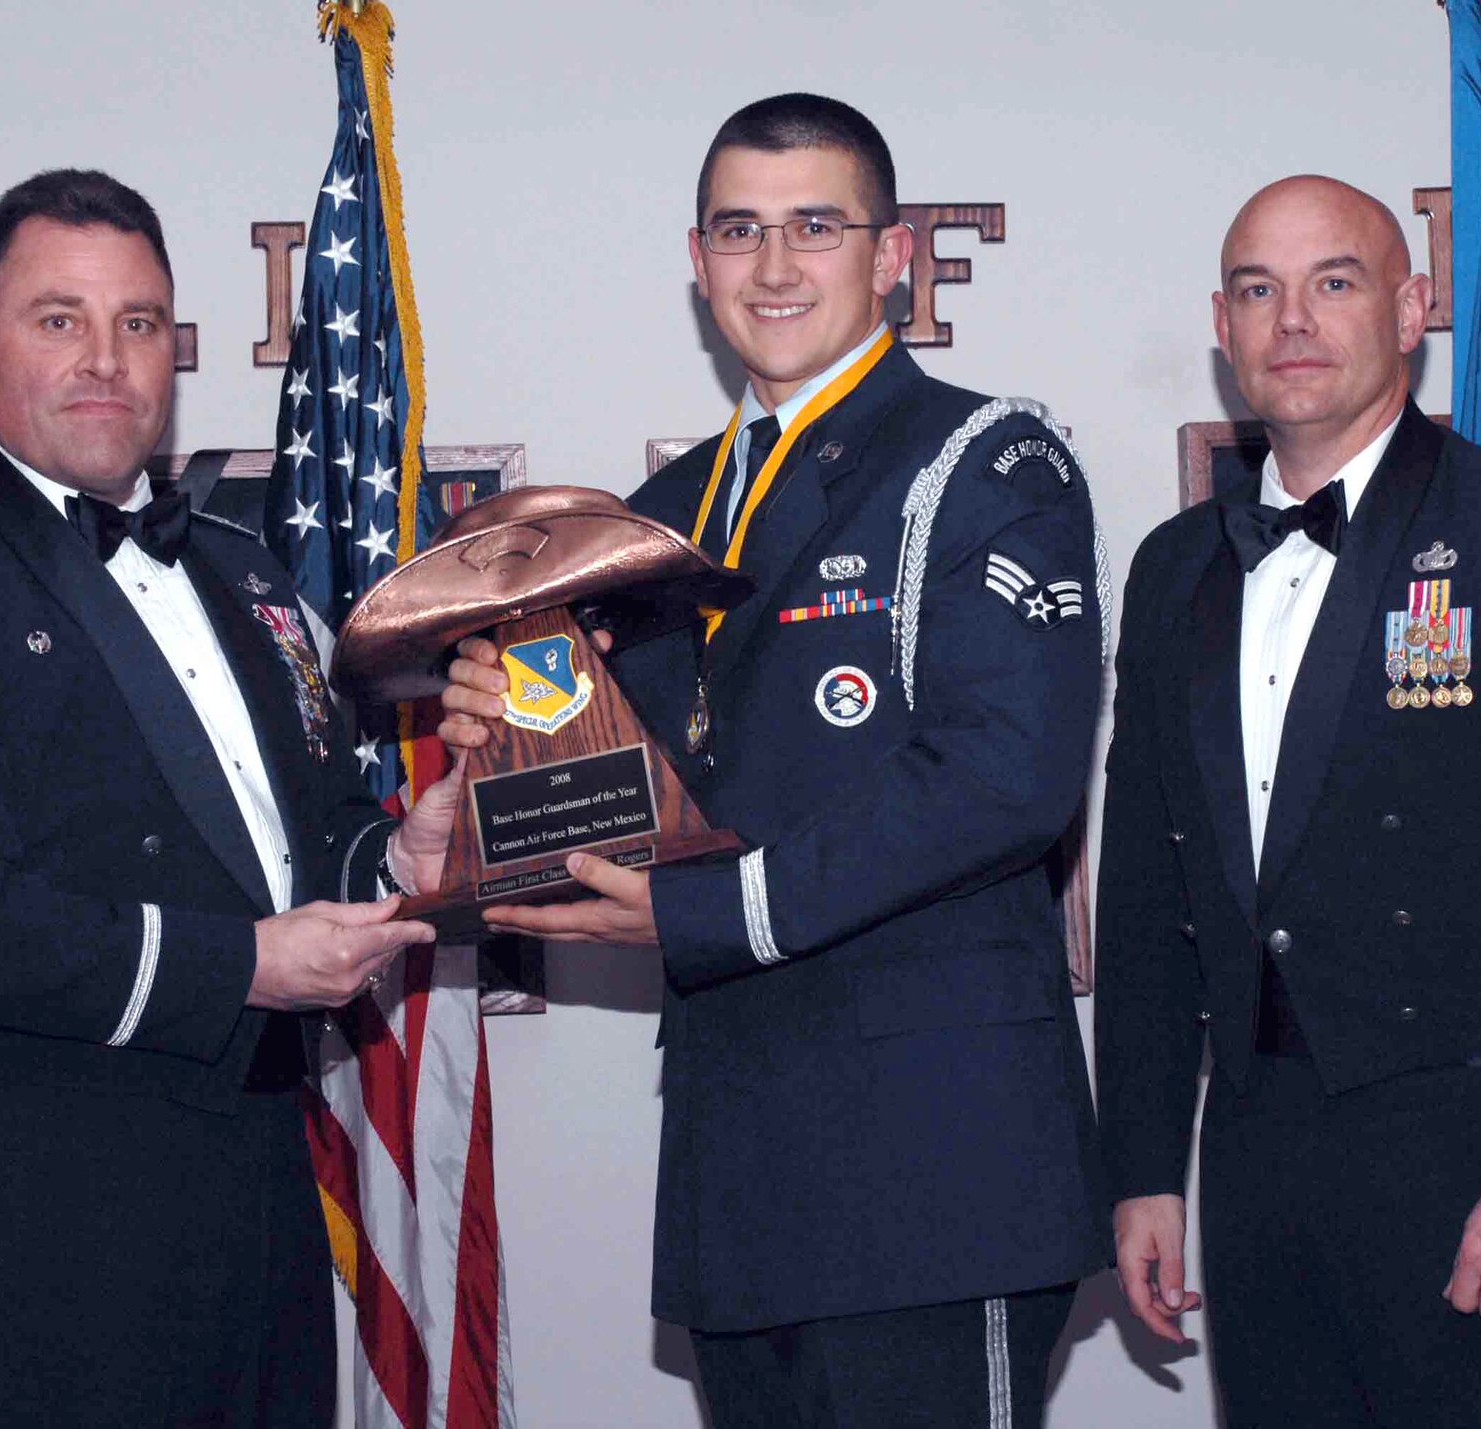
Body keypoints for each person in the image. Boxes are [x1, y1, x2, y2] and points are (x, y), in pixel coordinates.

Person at [439, 94, 1110, 1426]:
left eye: (817, 225)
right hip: (740, 1167)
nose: (777, 266)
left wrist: (707, 907)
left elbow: (1010, 775)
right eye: (740, 230)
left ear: (896, 252)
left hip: (936, 1171)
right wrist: (505, 716)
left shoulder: (987, 460)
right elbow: (632, 782)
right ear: (698, 263)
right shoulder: (655, 515)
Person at [0, 169, 454, 1427]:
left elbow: (307, 828)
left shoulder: (239, 566)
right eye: (58, 320)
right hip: (56, 1183)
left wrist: (391, 857)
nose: (106, 360)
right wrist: (244, 967)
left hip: (263, 1153)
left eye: (139, 323)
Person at [1095, 174, 1481, 1426]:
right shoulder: (1171, 571)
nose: (1291, 320)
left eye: (1334, 281)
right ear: (1221, 322)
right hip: (1257, 1170)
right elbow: (1153, 901)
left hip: (1477, 1164)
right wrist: (1143, 1163)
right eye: (1258, 290)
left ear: (1411, 308)